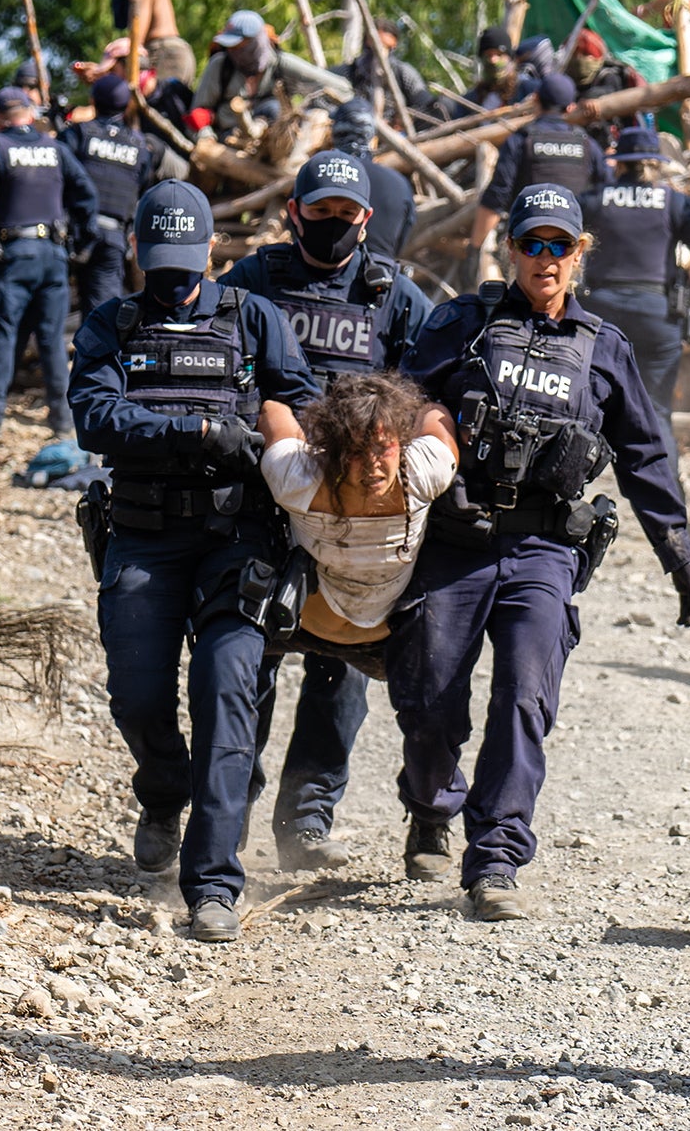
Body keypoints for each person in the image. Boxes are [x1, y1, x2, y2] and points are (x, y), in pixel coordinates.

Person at [393, 183, 690, 921]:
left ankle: (496, 858)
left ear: (579, 255)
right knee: (429, 695)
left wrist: (679, 550)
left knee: (525, 694)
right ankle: (432, 806)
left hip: (543, 548)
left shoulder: (604, 348)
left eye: (558, 245)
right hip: (457, 541)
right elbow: (399, 403)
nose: (544, 258)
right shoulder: (462, 326)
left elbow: (646, 452)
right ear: (510, 250)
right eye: (530, 243)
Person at [70, 179, 321, 942]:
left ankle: (213, 884)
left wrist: (275, 441)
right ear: (136, 250)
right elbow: (94, 415)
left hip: (237, 540)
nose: (175, 277)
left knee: (226, 697)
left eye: (188, 259)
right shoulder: (113, 325)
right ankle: (163, 788)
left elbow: (301, 401)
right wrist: (196, 433)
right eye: (160, 260)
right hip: (143, 537)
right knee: (138, 698)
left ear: (213, 250)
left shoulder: (253, 318)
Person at [220, 151, 434, 870]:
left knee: (341, 662)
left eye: (347, 215)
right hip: (266, 495)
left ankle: (305, 825)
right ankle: (232, 812)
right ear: (294, 211)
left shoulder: (394, 295)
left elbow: (432, 384)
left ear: (366, 219)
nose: (334, 225)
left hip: (355, 509)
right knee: (250, 658)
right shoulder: (254, 280)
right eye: (321, 212)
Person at [261, 371, 459, 647]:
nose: (372, 463)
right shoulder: (299, 478)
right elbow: (434, 411)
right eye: (355, 451)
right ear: (333, 451)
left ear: (401, 443)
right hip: (301, 627)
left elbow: (274, 409)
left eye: (382, 447)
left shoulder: (422, 472)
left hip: (383, 641)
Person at [0, 86, 98, 435]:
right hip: (53, 256)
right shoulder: (55, 149)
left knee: (1, 331)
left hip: (13, 255)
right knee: (51, 337)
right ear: (30, 114)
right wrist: (83, 238)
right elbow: (86, 194)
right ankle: (63, 419)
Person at [577, 120, 690, 442]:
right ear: (656, 164)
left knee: (586, 405)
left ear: (620, 164)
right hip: (656, 315)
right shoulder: (675, 203)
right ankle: (663, 487)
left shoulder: (593, 199)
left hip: (598, 314)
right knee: (655, 411)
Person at [60, 74, 184, 319]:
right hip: (113, 237)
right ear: (127, 105)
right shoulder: (140, 146)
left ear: (93, 101)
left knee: (50, 313)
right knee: (102, 317)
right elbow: (141, 186)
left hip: (72, 234)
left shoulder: (77, 134)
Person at [468, 74, 604, 286]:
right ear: (570, 108)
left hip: (528, 250)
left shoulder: (522, 140)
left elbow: (496, 197)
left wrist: (474, 249)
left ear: (536, 100)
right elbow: (606, 192)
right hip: (569, 251)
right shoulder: (587, 144)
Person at [190, 9, 342, 142]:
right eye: (230, 46)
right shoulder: (221, 65)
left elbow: (340, 87)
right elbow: (199, 111)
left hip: (276, 141)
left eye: (239, 45)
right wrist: (206, 137)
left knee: (272, 108)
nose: (233, 50)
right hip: (228, 139)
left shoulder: (280, 64)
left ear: (255, 43)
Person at [325, 99, 414, 258]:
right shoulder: (399, 184)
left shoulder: (321, 175)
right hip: (382, 277)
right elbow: (402, 240)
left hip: (326, 278)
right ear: (371, 134)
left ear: (336, 132)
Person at [333, 14, 436, 125]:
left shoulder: (403, 73)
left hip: (399, 136)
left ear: (393, 47)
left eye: (385, 48)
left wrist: (404, 120)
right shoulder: (348, 72)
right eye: (373, 48)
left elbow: (426, 104)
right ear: (366, 43)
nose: (379, 53)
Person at [455, 26, 518, 116]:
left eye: (499, 54)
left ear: (509, 57)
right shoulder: (471, 100)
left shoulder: (525, 90)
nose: (493, 60)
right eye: (488, 55)